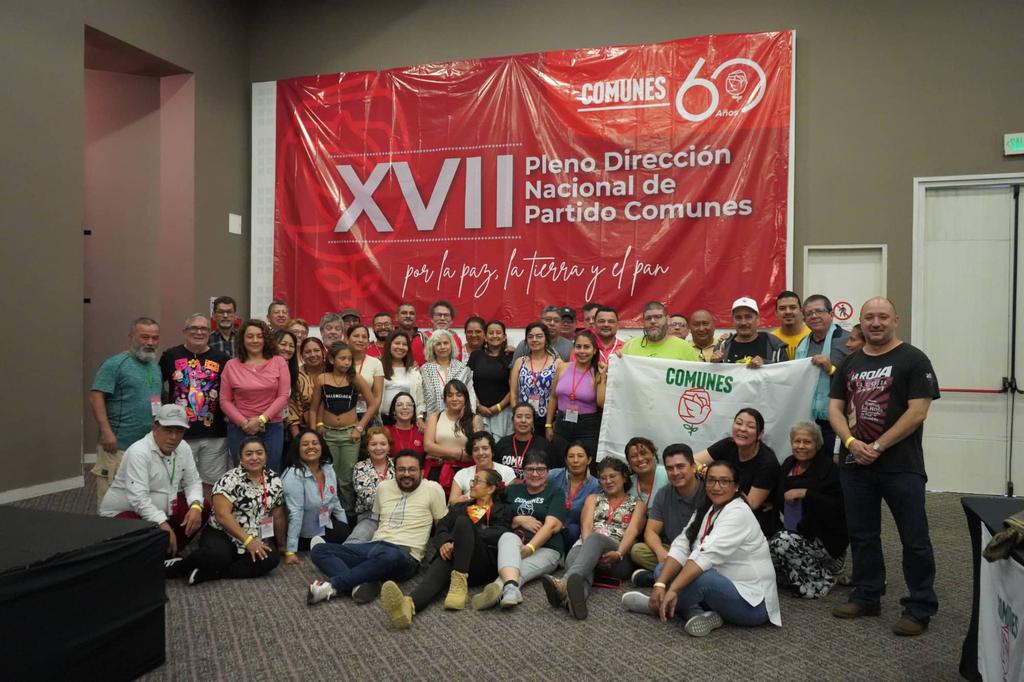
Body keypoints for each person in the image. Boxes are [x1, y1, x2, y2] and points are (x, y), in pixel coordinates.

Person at [828, 297, 940, 636]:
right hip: (855, 464)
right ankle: (866, 595)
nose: (876, 323)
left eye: (882, 317)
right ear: (861, 323)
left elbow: (918, 411)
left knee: (914, 537)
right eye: (869, 318)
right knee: (862, 535)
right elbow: (835, 409)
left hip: (901, 465)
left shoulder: (913, 359)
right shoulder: (850, 363)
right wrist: (850, 443)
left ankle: (919, 607)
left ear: (896, 320)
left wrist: (878, 445)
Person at [620, 461, 782, 636]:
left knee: (701, 579)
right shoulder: (708, 507)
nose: (716, 487)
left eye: (724, 481)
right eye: (711, 480)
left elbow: (704, 556)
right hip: (721, 585)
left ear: (736, 487)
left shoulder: (738, 513)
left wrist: (672, 589)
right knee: (662, 568)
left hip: (753, 604)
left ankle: (658, 605)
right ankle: (697, 613)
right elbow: (682, 544)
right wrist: (659, 583)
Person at [307, 450, 447, 605]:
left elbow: (442, 525)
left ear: (422, 471)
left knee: (389, 555)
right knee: (320, 550)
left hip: (405, 554)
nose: (406, 474)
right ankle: (360, 583)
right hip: (375, 546)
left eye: (412, 469)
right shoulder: (383, 488)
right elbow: (375, 521)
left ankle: (333, 586)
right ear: (395, 470)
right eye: (401, 469)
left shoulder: (433, 489)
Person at [379, 468, 513, 628]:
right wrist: (445, 542)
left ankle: (459, 582)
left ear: (491, 488)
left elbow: (500, 532)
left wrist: (462, 539)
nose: (472, 485)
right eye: (472, 481)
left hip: (480, 564)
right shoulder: (459, 507)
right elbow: (441, 527)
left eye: (477, 481)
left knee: (463, 523)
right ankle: (407, 606)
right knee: (431, 580)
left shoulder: (503, 509)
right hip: (453, 557)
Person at [171, 436, 286, 585]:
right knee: (218, 555)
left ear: (266, 456)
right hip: (223, 532)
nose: (254, 457)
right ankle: (179, 567)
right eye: (249, 454)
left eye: (259, 453)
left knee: (271, 559)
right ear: (240, 458)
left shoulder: (274, 480)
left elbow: (277, 514)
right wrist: (248, 541)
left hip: (254, 533)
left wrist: (282, 545)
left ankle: (211, 573)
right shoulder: (229, 479)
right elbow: (222, 516)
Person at [543, 457, 645, 620]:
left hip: (616, 556)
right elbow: (586, 527)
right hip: (585, 548)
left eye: (613, 476)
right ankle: (573, 603)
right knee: (580, 571)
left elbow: (633, 531)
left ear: (624, 477)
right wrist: (591, 553)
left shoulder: (637, 504)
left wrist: (618, 553)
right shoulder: (593, 498)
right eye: (603, 478)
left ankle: (563, 583)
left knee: (594, 541)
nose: (608, 481)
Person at [99, 405, 206, 559]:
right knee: (146, 533)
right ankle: (161, 551)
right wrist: (162, 525)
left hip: (163, 510)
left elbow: (193, 482)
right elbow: (139, 500)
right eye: (168, 430)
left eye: (179, 431)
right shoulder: (139, 452)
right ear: (155, 428)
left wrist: (196, 505)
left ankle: (169, 550)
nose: (174, 437)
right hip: (125, 513)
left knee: (203, 507)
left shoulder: (183, 447)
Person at [472, 451, 566, 610]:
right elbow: (496, 516)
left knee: (517, 568)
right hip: (515, 542)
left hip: (547, 547)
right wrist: (516, 520)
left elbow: (551, 526)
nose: (535, 474)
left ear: (548, 472)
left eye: (541, 469)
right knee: (507, 537)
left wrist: (530, 548)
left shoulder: (555, 492)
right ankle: (511, 591)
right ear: (522, 472)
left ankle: (500, 588)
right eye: (530, 469)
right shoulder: (512, 491)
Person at [89, 316, 162, 505]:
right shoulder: (115, 364)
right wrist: (106, 432)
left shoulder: (154, 367)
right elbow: (96, 396)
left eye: (155, 338)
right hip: (118, 444)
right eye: (144, 337)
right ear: (131, 336)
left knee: (140, 495)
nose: (150, 343)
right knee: (112, 498)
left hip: (147, 445)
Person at [769, 422, 847, 598]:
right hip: (794, 532)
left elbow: (838, 507)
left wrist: (806, 493)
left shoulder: (829, 470)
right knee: (763, 549)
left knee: (781, 542)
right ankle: (798, 576)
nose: (801, 446)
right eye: (797, 441)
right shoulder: (789, 464)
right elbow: (780, 494)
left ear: (817, 445)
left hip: (824, 540)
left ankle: (825, 578)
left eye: (807, 442)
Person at [159, 314, 231, 501]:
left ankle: (205, 521)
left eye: (204, 329)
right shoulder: (170, 356)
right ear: (184, 332)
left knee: (211, 482)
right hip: (180, 433)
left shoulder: (222, 359)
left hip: (215, 434)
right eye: (193, 328)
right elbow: (156, 386)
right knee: (178, 482)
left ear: (209, 332)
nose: (199, 332)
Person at [309, 341, 375, 515]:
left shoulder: (355, 379)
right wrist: (315, 429)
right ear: (331, 359)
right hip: (328, 434)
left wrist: (360, 427)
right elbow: (314, 408)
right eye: (342, 358)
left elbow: (373, 404)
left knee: (346, 478)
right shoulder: (322, 379)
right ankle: (329, 514)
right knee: (329, 476)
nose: (346, 362)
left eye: (349, 359)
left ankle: (348, 514)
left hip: (349, 435)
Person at [695, 408, 781, 537]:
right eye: (739, 423)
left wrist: (721, 484)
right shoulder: (728, 444)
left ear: (760, 434)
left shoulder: (767, 462)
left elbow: (751, 504)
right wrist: (705, 472)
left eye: (750, 426)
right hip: (721, 508)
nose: (742, 429)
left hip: (752, 520)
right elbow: (693, 461)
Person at [630, 443, 706, 587]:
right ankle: (675, 576)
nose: (675, 472)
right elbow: (651, 531)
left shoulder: (709, 491)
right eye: (670, 468)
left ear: (693, 466)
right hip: (673, 549)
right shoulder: (664, 493)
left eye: (680, 466)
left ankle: (658, 578)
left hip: (701, 552)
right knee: (637, 551)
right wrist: (660, 552)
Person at [220, 319, 290, 473]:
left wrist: (261, 420)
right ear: (242, 340)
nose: (255, 340)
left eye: (260, 336)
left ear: (266, 339)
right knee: (242, 474)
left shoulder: (279, 362)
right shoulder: (231, 365)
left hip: (271, 428)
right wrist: (244, 422)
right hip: (240, 429)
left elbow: (283, 396)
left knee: (270, 474)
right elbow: (224, 401)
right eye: (250, 336)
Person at [280, 429, 350, 562]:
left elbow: (335, 502)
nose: (311, 447)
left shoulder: (328, 469)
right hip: (301, 534)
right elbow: (295, 513)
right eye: (305, 444)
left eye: (315, 443)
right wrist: (290, 551)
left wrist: (347, 536)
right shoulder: (293, 475)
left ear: (322, 447)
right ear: (298, 449)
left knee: (344, 532)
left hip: (322, 527)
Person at [795, 294, 851, 454]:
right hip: (809, 419)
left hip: (838, 418)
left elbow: (857, 378)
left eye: (819, 311)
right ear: (804, 319)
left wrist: (831, 369)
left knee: (834, 468)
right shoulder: (802, 344)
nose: (814, 316)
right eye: (809, 313)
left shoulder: (847, 341)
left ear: (831, 314)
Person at [546, 330, 606, 459]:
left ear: (595, 350)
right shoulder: (562, 367)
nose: (582, 351)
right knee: (559, 462)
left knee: (583, 465)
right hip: (562, 424)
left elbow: (601, 402)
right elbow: (553, 397)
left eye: (587, 347)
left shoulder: (597, 373)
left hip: (587, 427)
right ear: (574, 349)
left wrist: (602, 377)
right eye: (578, 347)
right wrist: (548, 425)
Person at [423, 379, 484, 491]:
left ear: (465, 398)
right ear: (445, 399)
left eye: (459, 395)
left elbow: (477, 447)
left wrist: (441, 452)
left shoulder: (475, 419)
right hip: (437, 469)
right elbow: (428, 446)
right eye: (450, 395)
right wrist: (458, 454)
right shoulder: (435, 417)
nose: (454, 399)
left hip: (465, 471)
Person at [348, 427, 396, 542]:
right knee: (355, 542)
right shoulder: (360, 467)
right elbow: (368, 499)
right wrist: (394, 498)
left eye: (383, 444)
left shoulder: (398, 465)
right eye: (373, 444)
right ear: (367, 448)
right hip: (370, 517)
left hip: (396, 517)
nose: (378, 448)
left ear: (389, 447)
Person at [548, 442, 601, 548]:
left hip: (575, 533)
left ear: (589, 460)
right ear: (566, 460)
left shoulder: (597, 486)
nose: (575, 460)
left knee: (573, 529)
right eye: (571, 456)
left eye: (580, 456)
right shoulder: (552, 476)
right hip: (549, 525)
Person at [467, 320, 514, 438]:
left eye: (498, 333)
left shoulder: (511, 357)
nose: (494, 336)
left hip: (504, 412)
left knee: (500, 448)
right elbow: (468, 383)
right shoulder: (476, 356)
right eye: (491, 333)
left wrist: (499, 407)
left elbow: (514, 386)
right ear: (485, 337)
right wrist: (478, 406)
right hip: (478, 412)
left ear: (504, 337)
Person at [510, 322, 558, 434]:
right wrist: (517, 416)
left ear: (547, 339)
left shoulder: (557, 363)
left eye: (539, 336)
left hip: (546, 419)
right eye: (530, 336)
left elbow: (554, 396)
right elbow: (513, 394)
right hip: (523, 420)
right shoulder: (519, 362)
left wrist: (549, 424)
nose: (534, 340)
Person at [496, 402, 567, 477]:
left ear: (533, 422)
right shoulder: (502, 443)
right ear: (513, 420)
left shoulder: (544, 446)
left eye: (528, 417)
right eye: (519, 416)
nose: (523, 420)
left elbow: (553, 474)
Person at [420, 329, 476, 417]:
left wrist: (470, 415)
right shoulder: (425, 369)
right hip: (433, 419)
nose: (442, 347)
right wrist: (420, 416)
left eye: (445, 343)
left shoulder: (463, 369)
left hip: (460, 418)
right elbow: (421, 397)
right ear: (432, 347)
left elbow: (471, 395)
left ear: (451, 345)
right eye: (438, 344)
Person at [449, 431, 516, 505]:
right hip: (466, 513)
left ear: (492, 451)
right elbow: (451, 504)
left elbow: (510, 503)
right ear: (471, 453)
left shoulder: (507, 472)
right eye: (475, 449)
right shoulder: (462, 474)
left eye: (485, 448)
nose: (480, 453)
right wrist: (460, 501)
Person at [714, 297, 786, 366]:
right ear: (732, 321)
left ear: (757, 319)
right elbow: (715, 376)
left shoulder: (774, 346)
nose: (743, 322)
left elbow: (785, 374)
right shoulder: (722, 347)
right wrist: (714, 365)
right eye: (738, 317)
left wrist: (765, 363)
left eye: (748, 317)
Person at [621, 302, 699, 360]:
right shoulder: (630, 346)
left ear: (668, 320)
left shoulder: (684, 347)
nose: (652, 321)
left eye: (658, 317)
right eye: (648, 318)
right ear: (643, 322)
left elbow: (696, 377)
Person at [380, 331, 425, 427]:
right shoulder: (378, 367)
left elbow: (420, 399)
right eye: (397, 343)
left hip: (406, 421)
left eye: (404, 344)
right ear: (389, 345)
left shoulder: (414, 371)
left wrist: (419, 417)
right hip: (382, 420)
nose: (400, 347)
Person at [346, 324, 384, 424]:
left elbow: (377, 396)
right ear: (347, 339)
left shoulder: (375, 363)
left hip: (368, 416)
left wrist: (365, 420)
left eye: (364, 337)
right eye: (356, 336)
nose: (360, 340)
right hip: (343, 415)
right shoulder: (340, 362)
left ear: (368, 341)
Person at [293, 337, 328, 441]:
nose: (313, 355)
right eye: (308, 352)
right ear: (302, 355)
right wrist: (298, 439)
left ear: (323, 352)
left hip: (335, 429)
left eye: (316, 350)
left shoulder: (333, 371)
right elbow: (292, 411)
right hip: (305, 430)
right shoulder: (295, 376)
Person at [411, 299, 465, 365]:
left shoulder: (456, 339)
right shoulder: (420, 339)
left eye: (446, 315)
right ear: (431, 318)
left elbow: (458, 364)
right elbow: (417, 368)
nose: (442, 318)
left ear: (451, 320)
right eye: (438, 315)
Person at [275, 329, 301, 454]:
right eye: (283, 344)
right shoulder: (266, 366)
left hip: (284, 425)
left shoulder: (292, 370)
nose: (288, 348)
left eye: (291, 346)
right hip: (265, 423)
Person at [626, 436, 670, 508]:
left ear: (653, 455)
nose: (640, 459)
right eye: (633, 456)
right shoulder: (627, 483)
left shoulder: (669, 474)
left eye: (643, 453)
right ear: (629, 462)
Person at [771, 290, 810, 360]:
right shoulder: (771, 340)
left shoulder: (812, 336)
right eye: (782, 308)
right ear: (776, 313)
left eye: (793, 307)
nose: (788, 312)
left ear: (801, 311)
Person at [385, 392, 425, 457]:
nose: (405, 407)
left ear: (413, 409)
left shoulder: (421, 430)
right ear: (394, 411)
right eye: (399, 405)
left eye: (409, 405)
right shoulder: (386, 431)